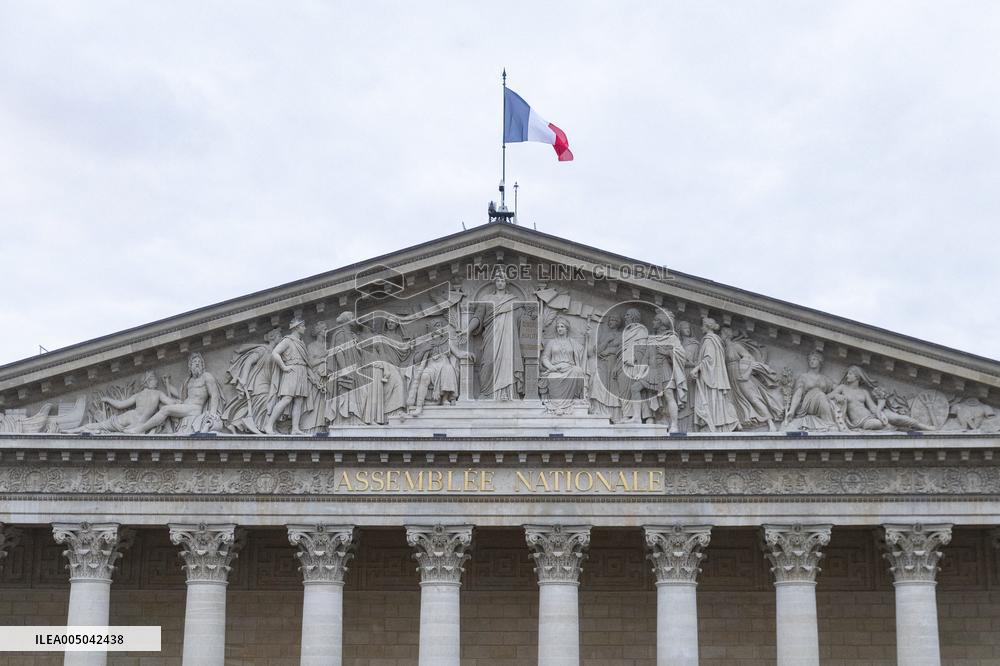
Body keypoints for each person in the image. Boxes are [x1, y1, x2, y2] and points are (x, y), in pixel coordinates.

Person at [128, 353, 222, 434]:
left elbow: (214, 395)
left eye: (199, 362)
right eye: (194, 362)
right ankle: (169, 431)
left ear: (202, 365)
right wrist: (167, 385)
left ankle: (140, 429)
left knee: (165, 409)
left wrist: (212, 413)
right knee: (162, 405)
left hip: (194, 409)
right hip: (185, 406)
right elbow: (181, 395)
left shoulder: (206, 376)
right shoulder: (189, 380)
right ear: (190, 366)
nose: (197, 363)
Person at [467, 275, 525, 400]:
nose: (500, 283)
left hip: (509, 338)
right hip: (491, 335)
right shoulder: (486, 299)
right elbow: (477, 317)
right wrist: (467, 330)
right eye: (498, 280)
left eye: (502, 280)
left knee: (508, 362)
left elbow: (524, 322)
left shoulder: (514, 300)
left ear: (506, 283)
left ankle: (509, 393)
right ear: (494, 282)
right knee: (488, 362)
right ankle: (486, 393)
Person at [827, 366, 934, 431]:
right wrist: (836, 396)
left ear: (857, 376)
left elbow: (873, 408)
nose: (847, 376)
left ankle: (923, 426)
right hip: (860, 422)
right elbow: (826, 397)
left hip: (872, 415)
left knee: (896, 418)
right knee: (878, 424)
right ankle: (899, 428)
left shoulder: (863, 392)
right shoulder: (842, 388)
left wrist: (881, 406)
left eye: (850, 374)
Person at [720, 326, 783, 431]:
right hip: (731, 378)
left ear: (726, 335)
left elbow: (748, 357)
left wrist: (745, 373)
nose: (720, 336)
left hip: (741, 377)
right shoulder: (724, 349)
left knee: (753, 398)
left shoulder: (735, 346)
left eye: (721, 334)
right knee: (733, 401)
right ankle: (738, 423)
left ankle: (770, 422)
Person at [68, 372, 172, 434]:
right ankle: (74, 431)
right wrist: (176, 398)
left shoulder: (138, 395)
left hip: (130, 417)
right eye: (154, 379)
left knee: (101, 425)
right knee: (101, 426)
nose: (157, 382)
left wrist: (107, 399)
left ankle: (74, 430)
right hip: (139, 422)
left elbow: (120, 404)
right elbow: (171, 403)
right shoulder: (159, 393)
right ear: (148, 381)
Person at [221, 328, 282, 434]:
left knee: (268, 403)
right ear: (273, 337)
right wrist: (244, 378)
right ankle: (263, 427)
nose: (281, 338)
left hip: (269, 382)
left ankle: (259, 426)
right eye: (279, 336)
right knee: (265, 402)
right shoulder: (263, 350)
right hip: (259, 382)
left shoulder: (276, 353)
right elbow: (249, 361)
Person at [410, 319, 474, 415]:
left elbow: (458, 353)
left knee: (448, 368)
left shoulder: (447, 341)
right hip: (431, 365)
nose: (439, 328)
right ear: (432, 328)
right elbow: (416, 360)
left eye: (440, 325)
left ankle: (445, 399)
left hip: (443, 363)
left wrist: (467, 353)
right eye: (437, 325)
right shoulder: (426, 342)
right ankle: (419, 406)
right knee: (424, 376)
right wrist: (425, 349)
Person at [637, 312, 687, 431]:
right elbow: (646, 356)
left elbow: (681, 355)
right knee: (644, 392)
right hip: (652, 371)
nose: (652, 322)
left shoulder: (671, 337)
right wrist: (641, 371)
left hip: (665, 369)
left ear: (661, 323)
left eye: (655, 320)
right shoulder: (651, 338)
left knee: (669, 395)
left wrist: (667, 352)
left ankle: (674, 425)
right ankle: (649, 418)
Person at [265, 318, 316, 435]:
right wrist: (284, 367)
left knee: (299, 401)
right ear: (297, 327)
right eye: (303, 326)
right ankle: (269, 425)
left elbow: (306, 362)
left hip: (302, 371)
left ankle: (295, 428)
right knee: (287, 398)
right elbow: (275, 353)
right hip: (292, 371)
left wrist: (312, 377)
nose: (305, 328)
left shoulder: (301, 342)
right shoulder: (288, 340)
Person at [690, 318, 738, 432]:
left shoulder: (709, 340)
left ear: (706, 327)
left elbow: (709, 359)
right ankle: (726, 423)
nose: (701, 328)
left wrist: (696, 368)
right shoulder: (716, 340)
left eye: (702, 325)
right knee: (718, 399)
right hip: (715, 377)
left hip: (710, 378)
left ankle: (715, 424)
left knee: (711, 399)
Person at [538, 316, 588, 414]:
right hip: (555, 369)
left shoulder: (572, 342)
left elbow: (585, 352)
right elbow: (545, 357)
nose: (559, 329)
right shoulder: (552, 342)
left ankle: (576, 399)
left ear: (567, 329)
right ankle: (557, 405)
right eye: (558, 327)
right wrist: (551, 367)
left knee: (578, 370)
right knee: (552, 377)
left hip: (570, 368)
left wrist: (588, 338)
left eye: (562, 326)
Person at [781, 350, 837, 430]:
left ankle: (828, 422)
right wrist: (792, 411)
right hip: (806, 405)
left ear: (820, 361)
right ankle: (829, 423)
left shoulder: (824, 379)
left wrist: (838, 394)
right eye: (810, 359)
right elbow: (798, 394)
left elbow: (836, 388)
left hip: (821, 403)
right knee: (820, 395)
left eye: (814, 359)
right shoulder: (803, 377)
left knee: (821, 396)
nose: (811, 361)